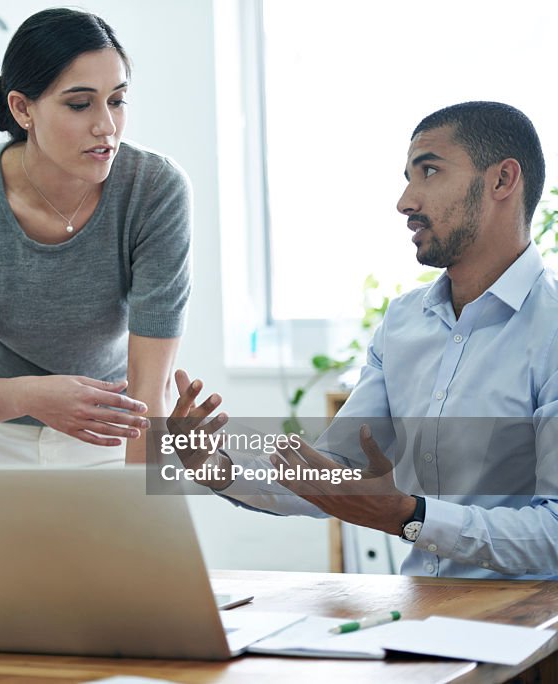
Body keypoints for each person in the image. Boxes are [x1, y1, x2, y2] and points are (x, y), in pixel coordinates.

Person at [171, 101, 558, 579]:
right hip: (419, 618)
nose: (405, 201)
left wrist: (409, 516)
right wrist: (215, 464)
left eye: (429, 171)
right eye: (408, 177)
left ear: (502, 180)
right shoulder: (402, 323)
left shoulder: (551, 328)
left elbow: (554, 533)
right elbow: (335, 474)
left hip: (528, 631)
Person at [0, 8, 191, 467]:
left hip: (110, 423)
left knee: (134, 535)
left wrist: (146, 508)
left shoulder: (155, 188)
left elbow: (150, 384)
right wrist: (34, 395)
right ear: (22, 108)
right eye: (80, 104)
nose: (106, 125)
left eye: (118, 100)